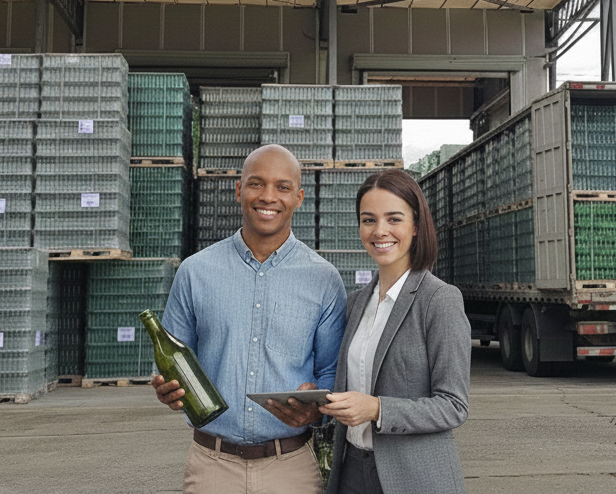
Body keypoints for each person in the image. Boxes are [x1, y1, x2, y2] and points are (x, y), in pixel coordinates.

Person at [151, 144, 348, 494]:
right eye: (256, 184)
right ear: (239, 190)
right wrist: (168, 389)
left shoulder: (324, 279)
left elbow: (332, 372)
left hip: (292, 469)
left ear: (298, 197)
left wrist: (317, 410)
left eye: (282, 187)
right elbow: (175, 360)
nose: (268, 197)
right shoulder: (196, 272)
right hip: (211, 466)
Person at [319, 168, 470, 494]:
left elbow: (453, 405)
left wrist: (376, 409)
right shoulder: (355, 303)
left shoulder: (439, 300)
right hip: (351, 472)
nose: (380, 231)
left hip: (412, 477)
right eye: (369, 219)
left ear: (416, 226)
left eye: (394, 219)